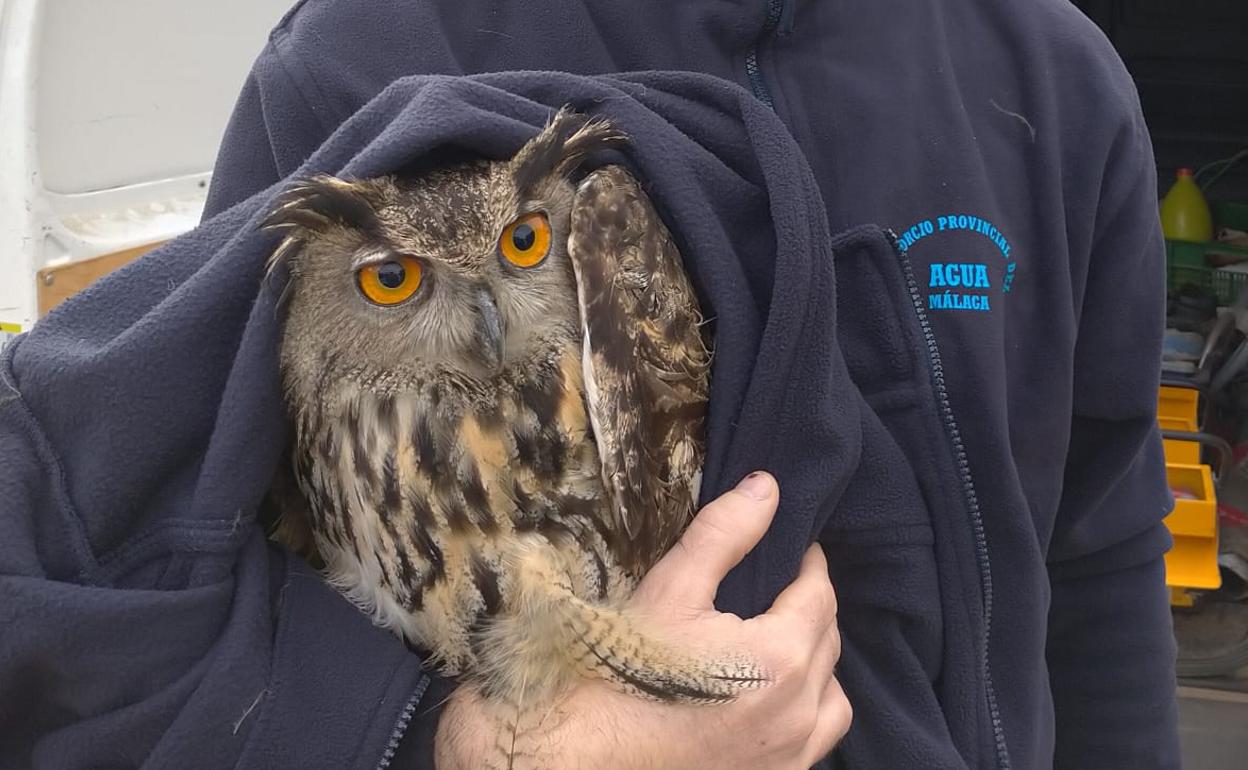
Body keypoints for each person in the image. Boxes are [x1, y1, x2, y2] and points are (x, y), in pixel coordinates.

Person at [0, 1, 1178, 768]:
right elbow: (211, 558)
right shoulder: (369, 51)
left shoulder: (1051, 76)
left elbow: (1096, 550)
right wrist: (496, 748)